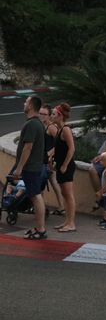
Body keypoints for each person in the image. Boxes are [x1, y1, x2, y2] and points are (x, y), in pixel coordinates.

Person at [13, 95, 46, 240]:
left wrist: (19, 167)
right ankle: (39, 227)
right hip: (34, 166)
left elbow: (28, 147)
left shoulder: (32, 124)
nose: (24, 103)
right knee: (35, 196)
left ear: (31, 106)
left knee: (36, 197)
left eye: (26, 102)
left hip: (31, 167)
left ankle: (41, 229)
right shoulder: (36, 123)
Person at [51, 103, 77, 233]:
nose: (52, 116)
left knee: (68, 195)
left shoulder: (66, 130)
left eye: (54, 114)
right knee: (64, 194)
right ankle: (67, 221)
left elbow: (71, 148)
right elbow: (59, 148)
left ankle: (71, 223)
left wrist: (65, 164)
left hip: (66, 166)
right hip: (60, 165)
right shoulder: (59, 130)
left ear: (60, 117)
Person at [40, 104, 65, 215]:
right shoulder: (40, 125)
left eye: (45, 114)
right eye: (40, 114)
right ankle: (40, 206)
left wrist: (50, 154)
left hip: (49, 159)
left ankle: (61, 206)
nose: (42, 116)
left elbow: (59, 143)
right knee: (42, 182)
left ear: (49, 115)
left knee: (53, 182)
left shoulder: (51, 127)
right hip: (41, 158)